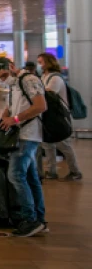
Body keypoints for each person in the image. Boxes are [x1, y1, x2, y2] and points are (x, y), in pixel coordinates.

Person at [0, 57, 47, 237]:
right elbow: (11, 107)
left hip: (27, 135)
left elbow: (40, 106)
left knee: (15, 175)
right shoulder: (14, 85)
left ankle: (29, 219)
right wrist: (5, 117)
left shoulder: (29, 80)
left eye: (4, 75)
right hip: (20, 135)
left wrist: (14, 120)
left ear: (12, 67)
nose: (2, 79)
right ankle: (39, 218)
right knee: (30, 177)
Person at [37, 53, 82, 181]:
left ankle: (75, 171)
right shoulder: (44, 76)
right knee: (47, 144)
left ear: (48, 62)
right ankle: (51, 171)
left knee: (63, 144)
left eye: (41, 62)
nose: (39, 65)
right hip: (48, 115)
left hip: (58, 116)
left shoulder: (55, 78)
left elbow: (49, 94)